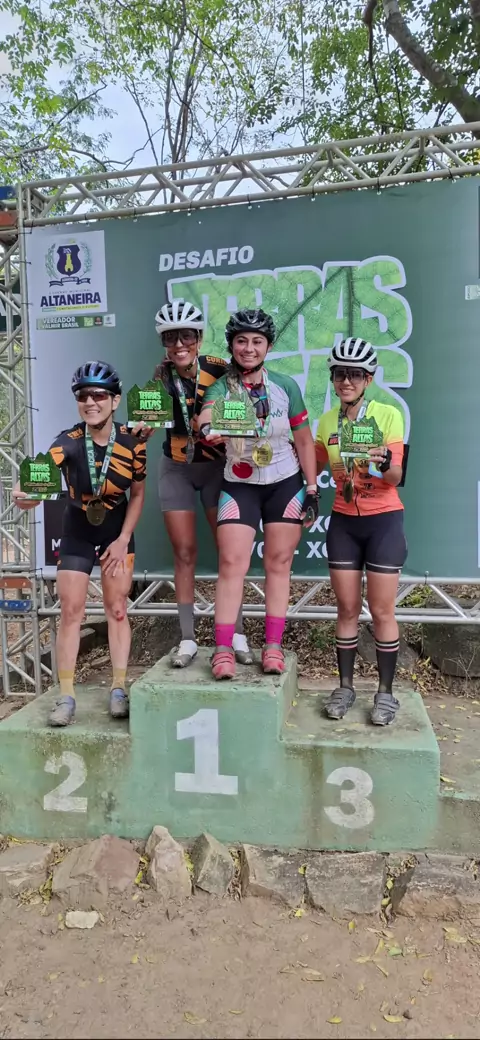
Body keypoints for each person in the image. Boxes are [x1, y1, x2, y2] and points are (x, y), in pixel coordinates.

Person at [13, 361, 146, 726]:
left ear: (115, 400)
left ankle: (118, 688)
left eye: (99, 395)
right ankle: (66, 695)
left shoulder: (133, 441)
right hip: (77, 530)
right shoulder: (68, 441)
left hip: (117, 532)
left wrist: (122, 539)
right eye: (83, 396)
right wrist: (26, 493)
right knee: (71, 612)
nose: (90, 402)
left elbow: (137, 495)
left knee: (117, 609)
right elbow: (37, 476)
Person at [197, 308, 319, 680]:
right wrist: (208, 430)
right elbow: (205, 416)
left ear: (268, 346)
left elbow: (304, 440)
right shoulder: (221, 387)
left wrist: (312, 488)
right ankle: (222, 649)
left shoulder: (286, 386)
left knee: (278, 565)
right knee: (231, 563)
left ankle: (273, 646)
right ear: (231, 345)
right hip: (240, 485)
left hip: (285, 482)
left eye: (257, 341)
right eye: (241, 341)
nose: (249, 348)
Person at [149, 298, 252, 668]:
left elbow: (242, 410)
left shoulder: (220, 369)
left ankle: (236, 633)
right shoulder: (160, 377)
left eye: (186, 336)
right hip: (176, 468)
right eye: (170, 338)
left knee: (229, 552)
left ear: (199, 338)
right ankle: (187, 638)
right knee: (184, 552)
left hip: (215, 469)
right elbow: (147, 423)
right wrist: (138, 431)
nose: (179, 345)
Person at [315, 337, 407, 726]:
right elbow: (309, 464)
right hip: (343, 522)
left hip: (383, 520)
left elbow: (397, 476)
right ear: (333, 379)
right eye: (340, 374)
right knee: (347, 608)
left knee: (382, 609)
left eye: (355, 374)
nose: (346, 381)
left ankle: (385, 693)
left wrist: (383, 461)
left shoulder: (388, 415)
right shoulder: (326, 423)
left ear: (368, 379)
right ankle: (345, 687)